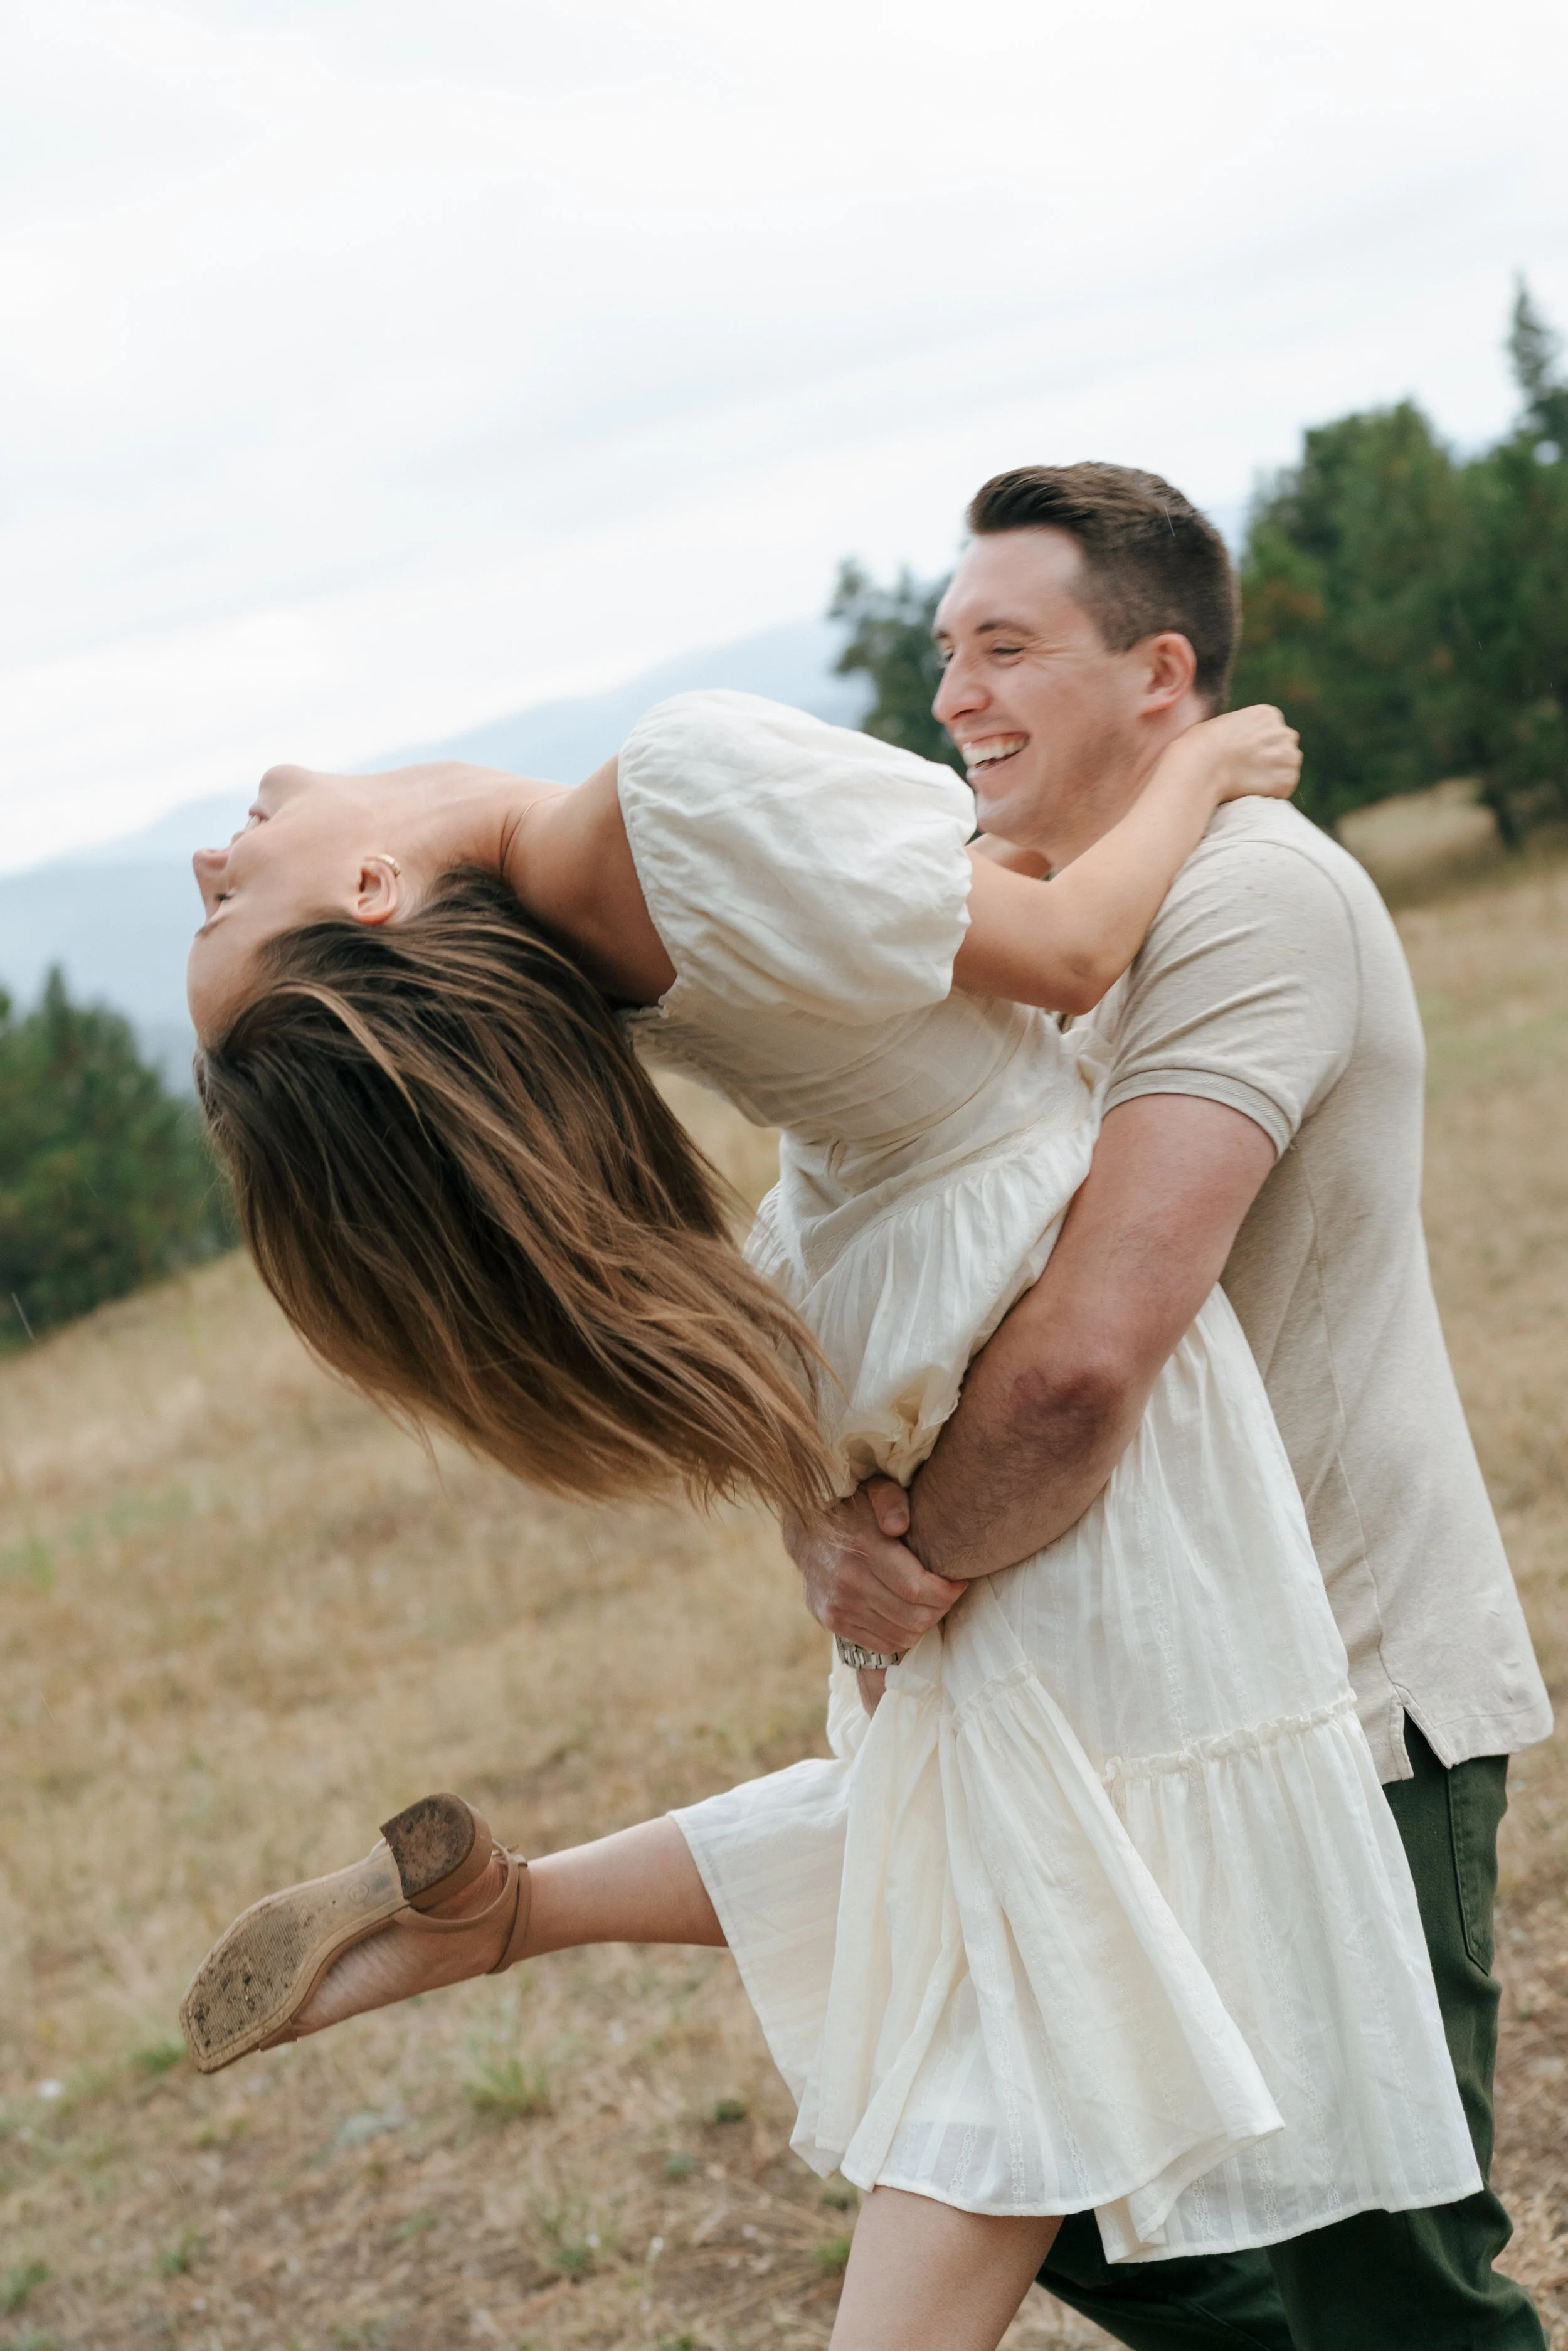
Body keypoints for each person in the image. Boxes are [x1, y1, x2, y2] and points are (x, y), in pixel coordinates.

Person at [177, 505, 1478, 2351]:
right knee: (1048, 1946)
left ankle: (506, 1909)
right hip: (1000, 1264)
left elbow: (924, 922)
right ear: (377, 901)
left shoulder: (588, 909)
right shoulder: (672, 791)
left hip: (894, 1284)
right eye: (229, 901)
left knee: (976, 1829)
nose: (218, 846)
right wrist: (1201, 768)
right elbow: (1055, 956)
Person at [788, 463, 1555, 2350]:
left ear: (1159, 673)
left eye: (1005, 648)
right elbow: (861, 1284)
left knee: (1375, 2285)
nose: (955, 692)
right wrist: (818, 1515)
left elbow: (1073, 1362)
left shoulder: (1251, 897)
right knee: (1040, 2179)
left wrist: (910, 1571)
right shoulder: (1023, 924)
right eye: (943, 650)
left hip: (1329, 1698)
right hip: (1104, 1711)